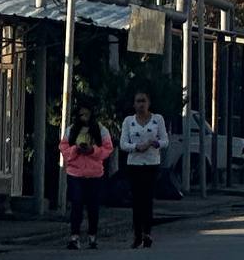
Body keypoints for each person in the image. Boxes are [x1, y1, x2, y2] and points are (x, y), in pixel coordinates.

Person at [59, 101, 113, 250]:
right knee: (76, 204)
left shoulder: (101, 130)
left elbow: (108, 149)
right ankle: (74, 237)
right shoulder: (71, 130)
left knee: (93, 207)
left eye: (87, 114)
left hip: (94, 174)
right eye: (81, 114)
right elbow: (64, 149)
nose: (84, 117)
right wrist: (76, 149)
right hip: (75, 173)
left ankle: (92, 236)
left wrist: (92, 151)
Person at [120, 89, 169, 249]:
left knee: (147, 199)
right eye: (138, 101)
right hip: (134, 164)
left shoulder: (157, 119)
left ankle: (147, 233)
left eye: (144, 101)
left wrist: (155, 143)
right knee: (136, 200)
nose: (141, 104)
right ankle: (137, 234)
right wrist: (136, 147)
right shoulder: (129, 121)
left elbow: (165, 141)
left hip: (151, 163)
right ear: (134, 104)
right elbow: (123, 144)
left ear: (149, 103)